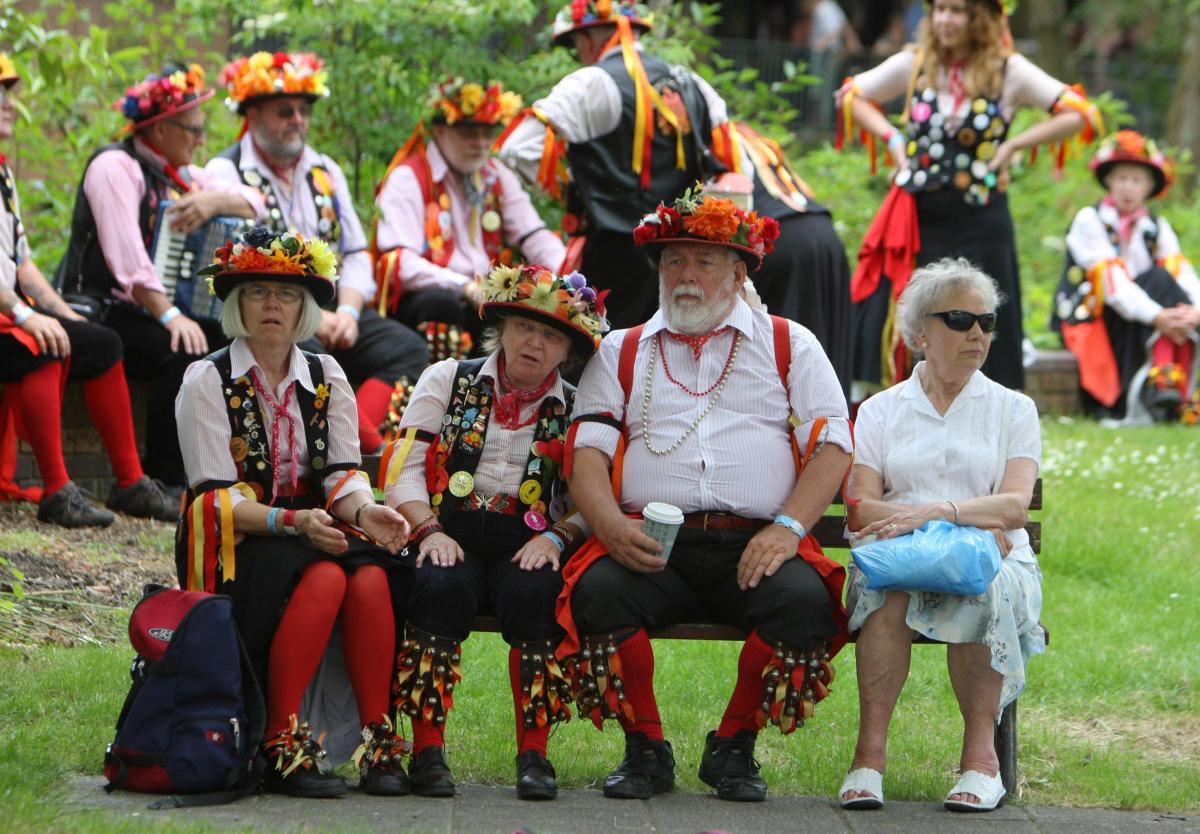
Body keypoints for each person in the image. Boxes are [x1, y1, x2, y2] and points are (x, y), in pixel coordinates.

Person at [560, 192, 853, 803]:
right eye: (674, 262)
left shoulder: (788, 344)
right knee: (598, 593)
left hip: (755, 544)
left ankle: (734, 747)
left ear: (739, 273)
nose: (686, 275)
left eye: (705, 261)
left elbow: (834, 448)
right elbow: (585, 453)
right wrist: (610, 526)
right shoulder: (622, 349)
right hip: (649, 541)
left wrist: (788, 530)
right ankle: (645, 749)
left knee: (805, 605)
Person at [175, 227, 412, 797]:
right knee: (326, 575)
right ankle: (282, 743)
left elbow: (341, 475)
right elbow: (214, 498)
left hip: (316, 524)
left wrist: (363, 512)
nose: (273, 305)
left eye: (285, 294)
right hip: (240, 537)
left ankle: (377, 741)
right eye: (257, 292)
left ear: (305, 307)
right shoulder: (207, 379)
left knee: (373, 575)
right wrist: (292, 522)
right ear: (237, 304)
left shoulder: (327, 376)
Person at [380, 262, 607, 799]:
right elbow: (404, 468)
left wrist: (556, 538)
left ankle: (534, 755)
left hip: (525, 544)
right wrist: (428, 530)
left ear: (568, 350)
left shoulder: (578, 406)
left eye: (551, 335)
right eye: (526, 327)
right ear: (501, 327)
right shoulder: (448, 378)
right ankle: (428, 749)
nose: (535, 343)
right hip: (448, 530)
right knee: (438, 585)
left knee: (537, 593)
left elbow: (595, 497)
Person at [837, 257, 1043, 814]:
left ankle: (981, 762)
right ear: (920, 332)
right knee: (887, 595)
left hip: (995, 563)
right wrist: (966, 520)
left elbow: (1014, 507)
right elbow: (860, 510)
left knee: (984, 586)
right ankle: (868, 758)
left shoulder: (1013, 409)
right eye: (959, 319)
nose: (977, 333)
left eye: (987, 321)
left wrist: (935, 513)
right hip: (899, 562)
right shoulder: (880, 411)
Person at [838, 0, 1103, 398]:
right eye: (939, 9)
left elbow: (1081, 113)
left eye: (957, 10)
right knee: (908, 312)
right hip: (919, 215)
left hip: (981, 218)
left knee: (987, 313)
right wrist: (893, 139)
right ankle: (901, 406)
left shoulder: (1007, 70)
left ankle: (993, 417)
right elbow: (851, 95)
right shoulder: (916, 63)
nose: (945, 19)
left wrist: (1015, 144)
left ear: (979, 17)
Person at [205, 52, 430, 454]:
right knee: (309, 351)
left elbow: (357, 251)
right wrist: (315, 315)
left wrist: (346, 311)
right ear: (252, 116)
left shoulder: (325, 169)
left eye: (304, 111)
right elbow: (236, 260)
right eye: (285, 111)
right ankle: (372, 449)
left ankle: (349, 438)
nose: (298, 120)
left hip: (334, 305)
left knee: (407, 348)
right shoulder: (226, 171)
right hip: (271, 311)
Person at [55, 62, 264, 490]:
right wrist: (171, 316)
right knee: (182, 347)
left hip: (147, 308)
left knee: (237, 342)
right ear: (160, 129)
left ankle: (241, 471)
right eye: (192, 130)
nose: (202, 140)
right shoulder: (115, 166)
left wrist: (212, 202)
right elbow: (127, 263)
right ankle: (163, 477)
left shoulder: (181, 175)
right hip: (103, 307)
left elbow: (254, 201)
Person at [0, 54, 176, 525]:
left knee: (99, 342)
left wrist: (61, 313)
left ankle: (130, 482)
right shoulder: (113, 164)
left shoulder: (4, 174)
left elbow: (22, 263)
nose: (10, 107)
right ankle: (56, 489)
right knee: (41, 344)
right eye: (1, 97)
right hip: (5, 316)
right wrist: (25, 316)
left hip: (9, 308)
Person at [496, 0, 743, 330]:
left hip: (612, 254)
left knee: (601, 359)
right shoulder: (694, 83)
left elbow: (516, 148)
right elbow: (733, 168)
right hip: (681, 257)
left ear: (587, 39)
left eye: (575, 46)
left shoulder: (590, 82)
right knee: (669, 359)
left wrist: (571, 186)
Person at [373, 78, 565, 363]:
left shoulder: (495, 174)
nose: (481, 144)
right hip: (435, 297)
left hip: (486, 296)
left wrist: (567, 275)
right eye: (469, 134)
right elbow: (398, 262)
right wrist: (463, 286)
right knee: (443, 304)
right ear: (439, 131)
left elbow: (532, 234)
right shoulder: (408, 177)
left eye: (487, 134)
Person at [1053, 130, 1200, 423]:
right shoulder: (1089, 219)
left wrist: (1192, 312)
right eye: (1122, 178)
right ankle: (1164, 380)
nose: (1127, 188)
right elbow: (1114, 287)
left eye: (1136, 180)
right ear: (1108, 180)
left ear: (1149, 187)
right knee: (1157, 280)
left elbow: (1182, 273)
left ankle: (1167, 383)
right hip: (1099, 313)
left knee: (1166, 282)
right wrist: (1158, 316)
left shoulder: (1156, 226)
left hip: (1142, 311)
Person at [724, 121, 852, 392]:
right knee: (822, 352)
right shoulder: (745, 133)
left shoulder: (702, 136)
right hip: (823, 233)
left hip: (781, 238)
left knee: (785, 360)